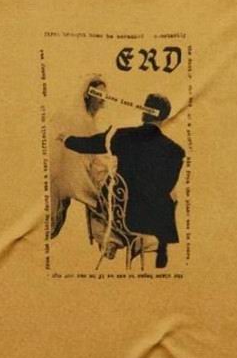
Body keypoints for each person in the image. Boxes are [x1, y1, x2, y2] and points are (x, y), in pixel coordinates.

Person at [62, 93, 185, 268]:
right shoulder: (175, 151)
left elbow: (87, 145)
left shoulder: (122, 135)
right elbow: (167, 186)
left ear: (145, 112)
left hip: (122, 216)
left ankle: (111, 241)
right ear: (164, 117)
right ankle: (162, 246)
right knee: (170, 195)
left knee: (95, 195)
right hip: (153, 221)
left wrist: (66, 139)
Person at [48, 74, 111, 239]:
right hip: (69, 174)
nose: (102, 99)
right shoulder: (81, 120)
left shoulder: (89, 119)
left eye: (104, 95)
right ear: (88, 96)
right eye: (98, 95)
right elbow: (84, 151)